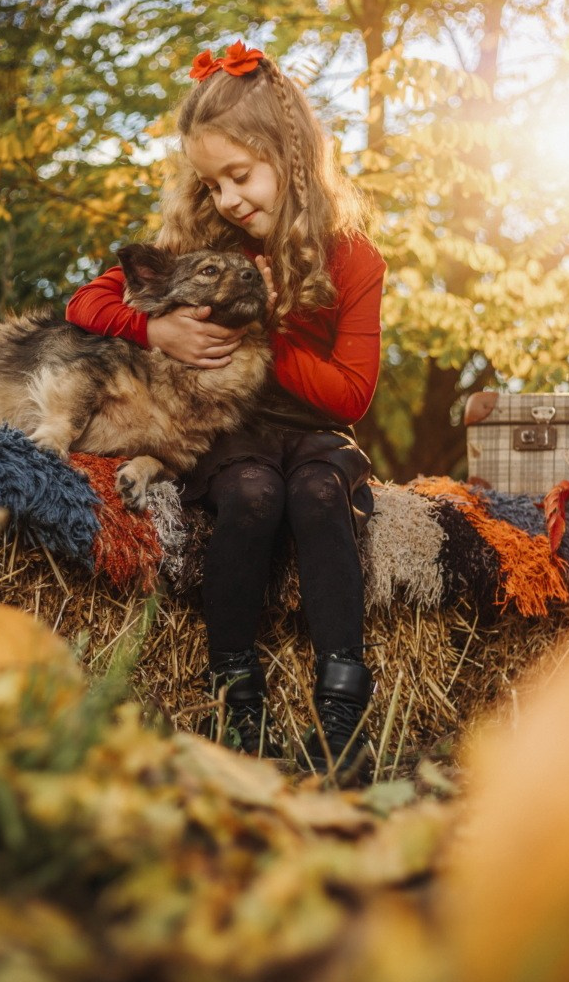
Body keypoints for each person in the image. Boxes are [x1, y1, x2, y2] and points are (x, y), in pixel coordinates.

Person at [66, 39, 385, 777]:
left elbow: (353, 394)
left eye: (239, 176)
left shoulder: (352, 256)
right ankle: (235, 701)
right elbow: (86, 302)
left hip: (314, 435)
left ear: (292, 155)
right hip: (229, 430)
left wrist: (267, 330)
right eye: (212, 184)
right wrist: (155, 326)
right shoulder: (197, 242)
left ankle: (344, 714)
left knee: (314, 490)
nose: (228, 199)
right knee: (250, 493)